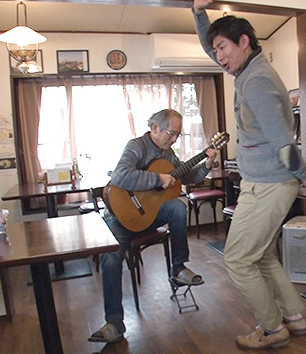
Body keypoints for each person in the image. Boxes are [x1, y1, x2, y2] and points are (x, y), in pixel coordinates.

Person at [192, 0, 306, 350]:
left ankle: (272, 327)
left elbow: (282, 142)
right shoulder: (247, 71)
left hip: (270, 184)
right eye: (215, 49)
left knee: (237, 259)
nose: (217, 56)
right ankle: (294, 316)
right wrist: (200, 13)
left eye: (222, 48)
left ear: (243, 41)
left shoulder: (257, 80)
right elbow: (210, 43)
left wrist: (304, 175)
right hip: (261, 181)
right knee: (260, 255)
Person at [88, 108, 217, 343]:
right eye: (171, 133)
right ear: (155, 128)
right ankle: (115, 322)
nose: (174, 139)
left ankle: (178, 268)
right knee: (111, 256)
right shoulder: (136, 146)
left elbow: (187, 177)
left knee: (178, 207)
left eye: (178, 135)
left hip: (149, 215)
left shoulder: (169, 154)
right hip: (120, 215)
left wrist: (207, 164)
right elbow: (119, 176)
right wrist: (157, 179)